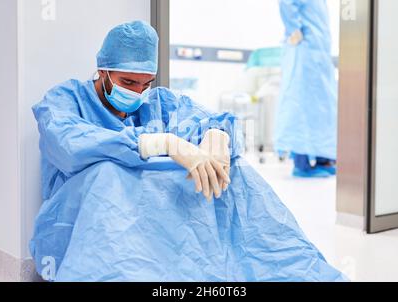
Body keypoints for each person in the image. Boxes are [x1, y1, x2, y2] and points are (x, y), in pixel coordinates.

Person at [30, 20, 346, 281]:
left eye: (146, 83)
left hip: (166, 233)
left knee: (229, 169)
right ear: (102, 70)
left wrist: (216, 137)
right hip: (97, 221)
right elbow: (67, 143)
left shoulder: (160, 103)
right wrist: (159, 143)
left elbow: (208, 119)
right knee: (108, 171)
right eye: (128, 82)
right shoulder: (67, 99)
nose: (138, 93)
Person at [275, 0, 338, 178]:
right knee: (299, 105)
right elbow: (286, 3)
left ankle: (323, 158)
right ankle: (301, 163)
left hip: (318, 51)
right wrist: (294, 29)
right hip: (304, 49)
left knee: (321, 109)